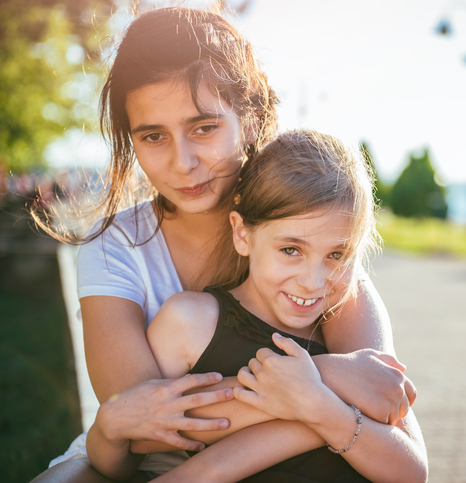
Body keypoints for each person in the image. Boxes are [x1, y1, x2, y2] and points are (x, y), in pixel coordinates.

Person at [31, 7, 415, 482]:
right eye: (154, 137)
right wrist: (329, 381)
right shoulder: (114, 248)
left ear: (250, 119)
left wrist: (317, 400)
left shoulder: (303, 238)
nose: (183, 162)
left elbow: (385, 402)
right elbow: (146, 430)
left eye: (204, 128)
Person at [145, 129, 427, 482]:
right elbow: (146, 433)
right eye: (291, 250)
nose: (313, 281)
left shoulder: (344, 316)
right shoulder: (190, 322)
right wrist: (330, 383)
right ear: (242, 234)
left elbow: (411, 472)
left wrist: (319, 407)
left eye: (337, 255)